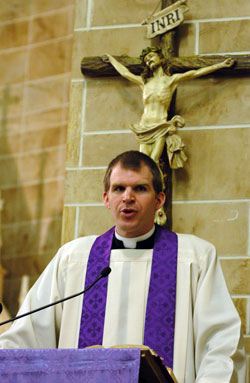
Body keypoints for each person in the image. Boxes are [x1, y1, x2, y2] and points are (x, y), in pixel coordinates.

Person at [0, 151, 246, 383]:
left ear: (159, 199)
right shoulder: (74, 259)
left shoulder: (195, 257)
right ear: (106, 199)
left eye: (140, 188)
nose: (128, 197)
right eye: (119, 188)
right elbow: (25, 338)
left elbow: (221, 344)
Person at [102, 48, 234, 169]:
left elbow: (194, 73)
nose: (149, 61)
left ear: (161, 58)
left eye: (151, 57)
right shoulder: (145, 82)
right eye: (146, 60)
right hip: (144, 126)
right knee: (143, 162)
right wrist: (112, 60)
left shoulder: (171, 81)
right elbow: (125, 73)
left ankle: (154, 189)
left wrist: (221, 65)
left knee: (153, 160)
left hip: (160, 125)